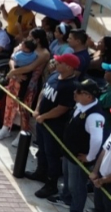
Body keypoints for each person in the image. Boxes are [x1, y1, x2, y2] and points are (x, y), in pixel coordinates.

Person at [29, 53, 81, 198]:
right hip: (42, 121)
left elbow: (62, 108)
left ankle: (51, 185)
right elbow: (43, 93)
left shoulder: (71, 86)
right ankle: (40, 172)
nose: (55, 63)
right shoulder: (53, 76)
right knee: (42, 149)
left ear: (69, 67)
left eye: (60, 62)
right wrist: (38, 110)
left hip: (55, 126)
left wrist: (43, 117)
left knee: (52, 154)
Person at [55, 79, 107, 212]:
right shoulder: (81, 105)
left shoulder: (95, 116)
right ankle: (66, 198)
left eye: (78, 92)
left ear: (89, 97)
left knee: (77, 186)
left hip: (79, 157)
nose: (74, 93)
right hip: (69, 152)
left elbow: (97, 139)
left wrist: (89, 157)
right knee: (67, 177)